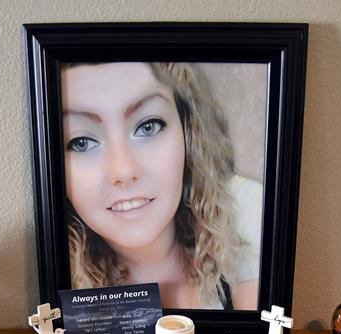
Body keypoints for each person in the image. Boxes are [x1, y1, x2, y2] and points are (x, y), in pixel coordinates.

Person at [61, 62, 262, 310]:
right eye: (81, 142)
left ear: (188, 134)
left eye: (148, 126)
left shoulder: (246, 209)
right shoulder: (59, 279)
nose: (124, 171)